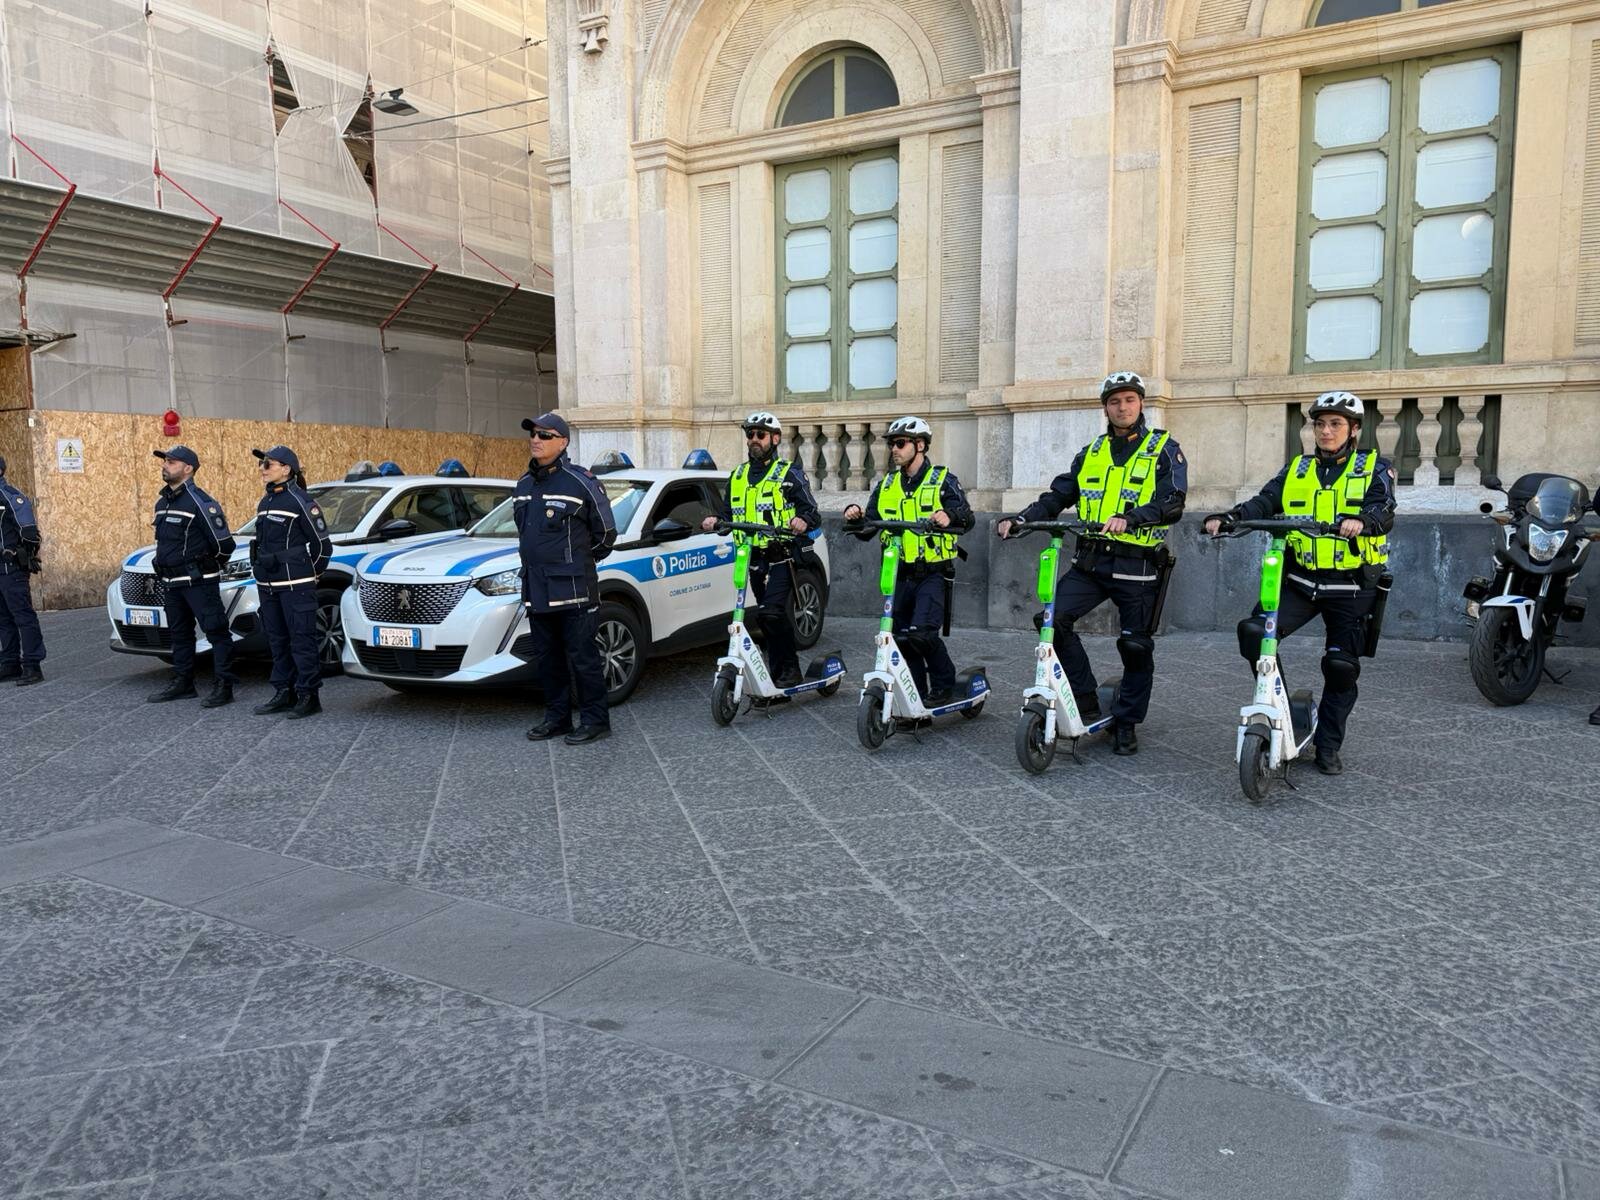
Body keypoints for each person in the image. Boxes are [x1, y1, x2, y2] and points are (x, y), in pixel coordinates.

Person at [1204, 390, 1396, 775]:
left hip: (1350, 585)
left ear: (1354, 430)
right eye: (1320, 424)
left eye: (1336, 424)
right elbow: (1265, 501)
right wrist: (1231, 517)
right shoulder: (1297, 468)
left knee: (1341, 666)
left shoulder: (1374, 468)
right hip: (1299, 581)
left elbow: (1384, 508)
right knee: (1254, 634)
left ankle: (1328, 744)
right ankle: (1282, 713)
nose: (1326, 431)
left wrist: (1363, 521)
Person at [997, 371, 1187, 755]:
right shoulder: (1091, 453)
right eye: (1114, 401)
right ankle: (1084, 697)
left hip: (1137, 567)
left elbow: (1173, 502)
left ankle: (1126, 722)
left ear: (1141, 404)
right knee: (1050, 621)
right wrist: (1022, 519)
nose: (1122, 407)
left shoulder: (1164, 448)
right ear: (1105, 408)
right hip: (1091, 563)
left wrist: (1131, 518)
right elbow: (1058, 496)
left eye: (1129, 400)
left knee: (1135, 646)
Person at [843, 416, 975, 705]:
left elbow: (967, 516)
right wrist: (855, 516)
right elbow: (869, 526)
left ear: (920, 445)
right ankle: (916, 694)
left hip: (933, 573)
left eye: (900, 443)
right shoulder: (887, 484)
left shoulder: (943, 480)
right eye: (892, 444)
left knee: (922, 634)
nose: (894, 449)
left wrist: (950, 515)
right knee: (900, 637)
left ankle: (944, 685)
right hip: (898, 574)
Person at [515, 413, 618, 745]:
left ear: (563, 442)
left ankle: (595, 721)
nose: (536, 440)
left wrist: (576, 563)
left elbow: (606, 535)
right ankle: (557, 719)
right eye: (533, 434)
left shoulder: (580, 482)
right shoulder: (523, 485)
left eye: (545, 435)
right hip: (537, 589)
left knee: (584, 660)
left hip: (574, 590)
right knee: (548, 661)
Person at [699, 411, 821, 686]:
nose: (754, 439)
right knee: (765, 617)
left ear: (775, 439)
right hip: (753, 559)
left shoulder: (789, 473)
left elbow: (812, 511)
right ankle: (779, 672)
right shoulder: (738, 475)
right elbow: (728, 515)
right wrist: (715, 520)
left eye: (760, 435)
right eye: (750, 434)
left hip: (783, 557)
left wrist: (802, 520)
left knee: (771, 612)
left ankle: (789, 671)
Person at [146, 446, 238, 708]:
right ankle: (184, 683)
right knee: (179, 634)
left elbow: (224, 545)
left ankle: (224, 686)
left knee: (216, 632)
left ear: (188, 469)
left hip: (199, 582)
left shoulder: (201, 502)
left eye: (172, 462)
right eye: (165, 461)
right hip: (172, 582)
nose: (165, 465)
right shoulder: (162, 503)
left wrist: (205, 568)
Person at [249, 446, 332, 719]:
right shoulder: (266, 502)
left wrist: (310, 574)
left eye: (268, 464)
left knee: (302, 641)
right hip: (269, 585)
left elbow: (322, 547)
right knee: (277, 640)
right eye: (261, 464)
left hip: (296, 585)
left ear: (286, 469)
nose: (262, 469)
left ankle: (309, 695)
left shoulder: (301, 501)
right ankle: (284, 692)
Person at [0, 454, 45, 686]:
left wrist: (21, 555)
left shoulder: (10, 496)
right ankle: (10, 663)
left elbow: (29, 532)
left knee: (23, 616)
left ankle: (32, 665)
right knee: (3, 618)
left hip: (11, 569)